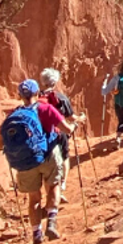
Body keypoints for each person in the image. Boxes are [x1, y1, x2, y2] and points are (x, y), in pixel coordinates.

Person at [0, 78, 55, 244]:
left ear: (20, 96)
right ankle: (52, 220)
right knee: (52, 186)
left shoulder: (14, 115)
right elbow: (65, 127)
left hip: (23, 163)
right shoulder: (44, 108)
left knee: (33, 198)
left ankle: (36, 233)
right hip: (43, 156)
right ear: (37, 93)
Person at [34, 69, 75, 234]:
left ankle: (49, 198)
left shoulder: (36, 100)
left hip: (42, 139)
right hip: (60, 133)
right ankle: (62, 185)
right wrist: (77, 122)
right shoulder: (61, 98)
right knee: (64, 157)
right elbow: (70, 118)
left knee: (47, 171)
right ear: (55, 82)